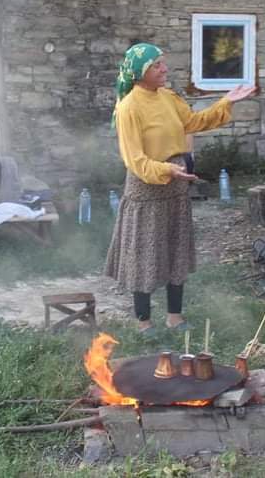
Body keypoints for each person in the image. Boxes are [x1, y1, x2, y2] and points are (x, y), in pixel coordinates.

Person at [105, 43, 256, 335]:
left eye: (163, 63)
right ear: (140, 72)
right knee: (144, 253)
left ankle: (174, 316)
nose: (164, 69)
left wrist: (226, 102)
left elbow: (193, 122)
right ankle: (144, 321)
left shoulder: (168, 97)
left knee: (176, 249)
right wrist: (166, 170)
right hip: (146, 189)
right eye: (157, 65)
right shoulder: (129, 107)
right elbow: (134, 160)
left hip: (176, 184)